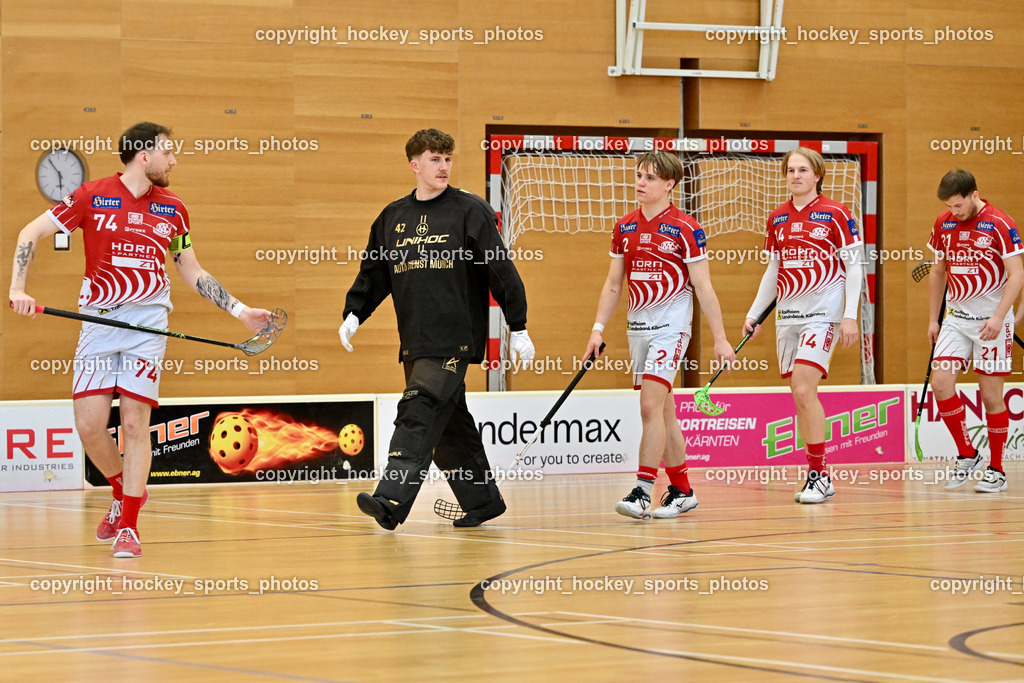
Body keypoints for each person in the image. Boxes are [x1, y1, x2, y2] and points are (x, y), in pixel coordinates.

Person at [9, 122, 272, 557]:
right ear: (143, 156)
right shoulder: (91, 195)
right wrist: (18, 288)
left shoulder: (174, 209)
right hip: (98, 323)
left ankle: (129, 524)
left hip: (148, 328)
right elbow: (29, 234)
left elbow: (192, 270)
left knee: (134, 424)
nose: (174, 160)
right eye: (168, 152)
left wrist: (240, 311)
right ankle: (123, 491)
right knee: (90, 427)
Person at [339, 128, 533, 530]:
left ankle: (390, 499)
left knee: (418, 409)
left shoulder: (469, 210)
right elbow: (374, 274)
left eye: (447, 158)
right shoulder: (392, 217)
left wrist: (519, 325)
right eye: (434, 158)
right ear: (415, 165)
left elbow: (501, 268)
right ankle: (482, 502)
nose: (443, 166)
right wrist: (354, 313)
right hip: (415, 342)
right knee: (450, 429)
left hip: (454, 339)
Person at [585, 151, 735, 520]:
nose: (641, 183)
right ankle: (682, 490)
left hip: (671, 329)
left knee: (650, 406)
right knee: (664, 413)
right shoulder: (624, 226)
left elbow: (704, 286)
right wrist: (597, 329)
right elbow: (613, 284)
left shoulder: (686, 227)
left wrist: (720, 338)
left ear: (669, 184)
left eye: (650, 178)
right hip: (639, 329)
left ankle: (642, 491)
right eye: (639, 175)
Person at [743, 147, 863, 504]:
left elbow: (854, 267)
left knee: (803, 389)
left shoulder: (838, 213)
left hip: (823, 314)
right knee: (800, 396)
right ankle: (817, 472)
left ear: (817, 175)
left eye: (802, 170)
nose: (795, 175)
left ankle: (819, 475)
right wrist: (754, 313)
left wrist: (850, 315)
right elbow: (773, 271)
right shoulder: (777, 218)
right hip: (788, 318)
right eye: (790, 170)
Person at [926, 170, 1022, 493]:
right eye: (950, 206)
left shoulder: (1000, 223)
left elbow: (1017, 274)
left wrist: (999, 317)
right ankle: (968, 454)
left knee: (991, 395)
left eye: (958, 205)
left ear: (973, 194)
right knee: (941, 383)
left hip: (991, 323)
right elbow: (938, 271)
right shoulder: (944, 222)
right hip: (956, 319)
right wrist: (932, 320)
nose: (955, 212)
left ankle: (997, 469)